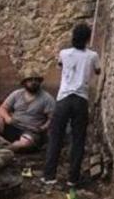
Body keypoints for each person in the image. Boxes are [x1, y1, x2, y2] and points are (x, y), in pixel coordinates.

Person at [42, 23, 100, 187]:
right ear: (88, 38)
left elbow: (60, 66)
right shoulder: (93, 55)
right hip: (81, 100)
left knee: (56, 137)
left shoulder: (64, 53)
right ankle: (72, 179)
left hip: (63, 99)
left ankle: (49, 176)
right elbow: (98, 71)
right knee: (78, 139)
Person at [0, 74, 55, 152]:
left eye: (36, 80)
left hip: (30, 132)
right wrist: (7, 118)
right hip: (13, 126)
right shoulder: (17, 94)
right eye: (30, 80)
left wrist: (43, 127)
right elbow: (2, 108)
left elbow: (52, 118)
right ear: (24, 82)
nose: (33, 82)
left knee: (24, 143)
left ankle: (1, 150)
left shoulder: (47, 98)